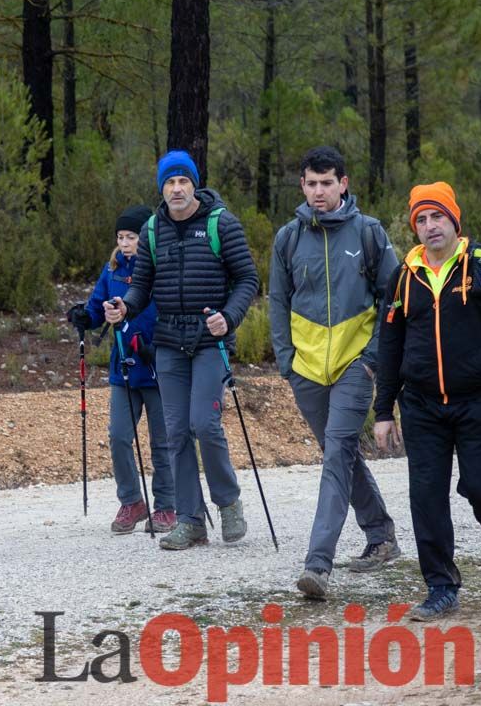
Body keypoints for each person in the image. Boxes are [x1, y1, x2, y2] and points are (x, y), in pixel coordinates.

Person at [373, 182, 481, 620]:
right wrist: (384, 410)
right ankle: (441, 586)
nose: (429, 226)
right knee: (426, 497)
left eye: (437, 216)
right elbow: (390, 345)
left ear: (454, 220)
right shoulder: (404, 274)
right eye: (420, 219)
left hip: (480, 402)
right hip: (421, 405)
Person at [104, 150, 259, 551]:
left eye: (183, 181)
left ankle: (228, 503)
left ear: (194, 185)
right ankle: (191, 520)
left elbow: (247, 278)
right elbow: (141, 286)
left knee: (203, 425)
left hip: (211, 338)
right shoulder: (153, 229)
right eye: (169, 182)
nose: (176, 188)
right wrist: (125, 307)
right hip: (169, 342)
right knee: (175, 432)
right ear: (162, 187)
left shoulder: (220, 223)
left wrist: (229, 316)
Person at [268, 146, 401, 601]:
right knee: (338, 453)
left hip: (354, 366)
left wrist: (372, 359)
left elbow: (394, 300)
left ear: (343, 183)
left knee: (337, 452)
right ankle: (381, 534)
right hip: (305, 371)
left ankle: (317, 564)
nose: (319, 191)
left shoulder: (368, 233)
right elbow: (276, 301)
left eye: (327, 183)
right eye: (311, 183)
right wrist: (286, 361)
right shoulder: (288, 238)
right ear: (302, 186)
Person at [66, 205, 177, 534]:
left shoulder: (160, 267)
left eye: (132, 237)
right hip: (124, 366)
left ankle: (167, 505)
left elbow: (171, 310)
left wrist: (158, 346)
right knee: (117, 435)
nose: (126, 243)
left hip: (156, 365)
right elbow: (98, 307)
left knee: (163, 441)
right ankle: (132, 501)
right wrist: (85, 317)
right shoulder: (112, 268)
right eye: (121, 237)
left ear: (146, 237)